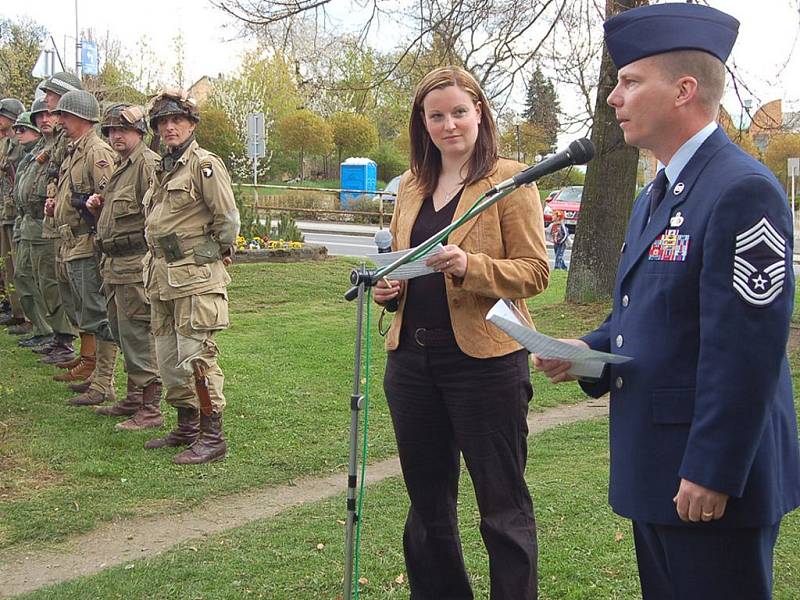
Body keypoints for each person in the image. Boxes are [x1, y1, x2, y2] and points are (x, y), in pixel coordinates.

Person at [533, 4, 800, 599]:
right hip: (658, 467)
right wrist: (586, 350)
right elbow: (647, 312)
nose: (614, 98)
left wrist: (712, 468)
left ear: (683, 90)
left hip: (708, 481)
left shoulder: (741, 190)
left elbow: (746, 349)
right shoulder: (659, 191)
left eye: (629, 81)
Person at [373, 66, 549, 599]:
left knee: (502, 508)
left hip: (487, 365)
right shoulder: (411, 186)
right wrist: (390, 289)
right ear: (422, 124)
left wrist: (470, 266)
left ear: (480, 114)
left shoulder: (511, 182)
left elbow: (535, 271)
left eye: (459, 112)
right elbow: (404, 262)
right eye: (436, 116)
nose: (449, 124)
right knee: (428, 510)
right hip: (412, 365)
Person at [141, 88, 239, 465]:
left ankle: (213, 437)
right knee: (168, 359)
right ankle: (186, 425)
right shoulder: (162, 167)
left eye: (177, 120)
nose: (169, 127)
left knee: (198, 357)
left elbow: (227, 222)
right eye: (163, 122)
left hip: (195, 280)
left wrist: (207, 257)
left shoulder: (204, 165)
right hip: (162, 277)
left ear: (191, 124)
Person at [89, 103, 163, 430]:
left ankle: (150, 409)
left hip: (135, 265)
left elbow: (158, 216)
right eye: (111, 131)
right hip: (114, 265)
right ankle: (134, 398)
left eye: (123, 130)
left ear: (139, 132)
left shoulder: (146, 164)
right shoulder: (122, 166)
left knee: (138, 334)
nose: (116, 136)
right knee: (122, 332)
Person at [50, 90, 118, 406]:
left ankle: (104, 382)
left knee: (98, 313)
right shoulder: (75, 151)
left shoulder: (96, 153)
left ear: (80, 117)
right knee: (85, 311)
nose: (59, 120)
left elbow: (105, 202)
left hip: (87, 243)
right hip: (71, 242)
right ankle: (94, 373)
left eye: (64, 115)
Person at [25, 97, 78, 365]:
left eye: (51, 112)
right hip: (41, 221)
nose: (46, 118)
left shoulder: (72, 146)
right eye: (40, 115)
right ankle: (56, 336)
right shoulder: (50, 145)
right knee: (42, 281)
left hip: (63, 228)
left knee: (56, 285)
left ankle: (64, 339)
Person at [10, 109, 53, 349]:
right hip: (26, 221)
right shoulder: (34, 154)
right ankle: (42, 329)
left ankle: (50, 332)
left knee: (44, 282)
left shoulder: (50, 151)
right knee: (23, 276)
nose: (18, 133)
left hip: (40, 223)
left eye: (23, 129)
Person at [0, 97, 28, 333]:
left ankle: (23, 314)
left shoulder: (18, 144)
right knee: (8, 264)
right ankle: (14, 308)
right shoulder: (6, 142)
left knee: (18, 264)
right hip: (6, 208)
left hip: (15, 209)